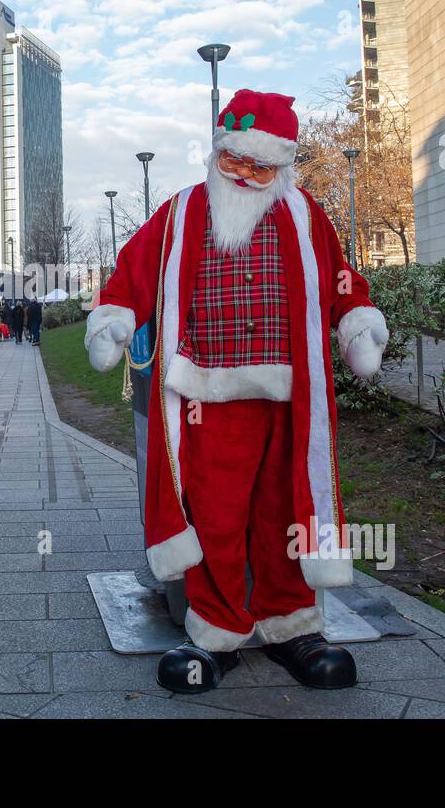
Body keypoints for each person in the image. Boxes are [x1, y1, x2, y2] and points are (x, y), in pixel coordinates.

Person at [84, 90, 387, 695]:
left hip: (286, 395)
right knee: (216, 514)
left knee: (286, 506)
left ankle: (291, 625)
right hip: (206, 394)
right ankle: (217, 630)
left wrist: (357, 322)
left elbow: (341, 276)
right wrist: (115, 318)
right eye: (236, 162)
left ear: (283, 166)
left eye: (262, 166)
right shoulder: (180, 213)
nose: (247, 175)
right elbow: (134, 270)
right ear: (218, 154)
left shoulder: (306, 215)